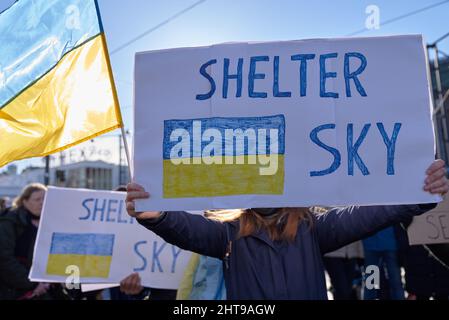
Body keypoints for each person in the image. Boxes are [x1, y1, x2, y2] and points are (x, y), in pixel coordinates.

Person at [125, 159, 449, 300]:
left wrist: (416, 194)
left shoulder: (314, 228)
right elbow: (189, 229)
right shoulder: (228, 234)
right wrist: (158, 215)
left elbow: (365, 215)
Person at [0, 183, 61, 300]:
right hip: (15, 290)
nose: (42, 202)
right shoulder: (9, 222)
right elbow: (4, 258)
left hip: (45, 287)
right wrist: (32, 284)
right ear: (24, 201)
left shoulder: (52, 221)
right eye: (37, 199)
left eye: (45, 199)